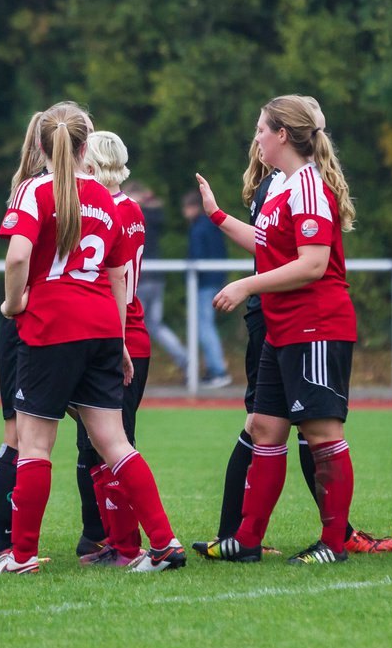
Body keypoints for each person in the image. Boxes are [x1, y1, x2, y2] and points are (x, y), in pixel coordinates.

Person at [0, 101, 184, 575]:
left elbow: (16, 259)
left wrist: (12, 304)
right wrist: (117, 342)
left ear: (40, 145)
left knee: (34, 445)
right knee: (115, 443)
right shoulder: (109, 197)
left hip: (53, 325)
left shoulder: (35, 189)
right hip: (101, 325)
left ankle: (22, 556)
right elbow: (118, 278)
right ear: (85, 144)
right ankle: (164, 542)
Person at [194, 94, 360, 566]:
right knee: (265, 428)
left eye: (261, 129)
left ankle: (334, 544)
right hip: (283, 328)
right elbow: (267, 244)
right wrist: (218, 215)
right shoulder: (284, 186)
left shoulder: (308, 187)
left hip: (316, 325)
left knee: (322, 433)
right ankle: (246, 540)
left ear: (283, 134)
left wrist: (246, 284)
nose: (257, 138)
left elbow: (312, 265)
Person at [76, 130, 153, 566]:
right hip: (121, 332)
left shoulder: (108, 209)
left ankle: (125, 542)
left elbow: (113, 279)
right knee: (102, 443)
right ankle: (111, 538)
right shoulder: (130, 208)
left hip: (116, 334)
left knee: (108, 445)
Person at [0, 111, 46, 561]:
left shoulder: (32, 187)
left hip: (48, 327)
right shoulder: (36, 190)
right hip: (31, 324)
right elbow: (18, 259)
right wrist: (12, 305)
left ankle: (104, 537)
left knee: (25, 437)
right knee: (20, 437)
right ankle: (4, 541)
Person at [133, 186, 188, 373]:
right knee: (155, 325)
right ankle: (185, 359)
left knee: (132, 324)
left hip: (141, 279)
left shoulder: (135, 216)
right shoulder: (154, 216)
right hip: (156, 279)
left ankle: (131, 365)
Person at [183, 191, 232, 387]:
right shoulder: (213, 225)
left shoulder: (198, 229)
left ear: (193, 207)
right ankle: (216, 369)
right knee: (205, 326)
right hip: (216, 281)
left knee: (204, 327)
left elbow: (196, 255)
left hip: (204, 283)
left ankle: (218, 371)